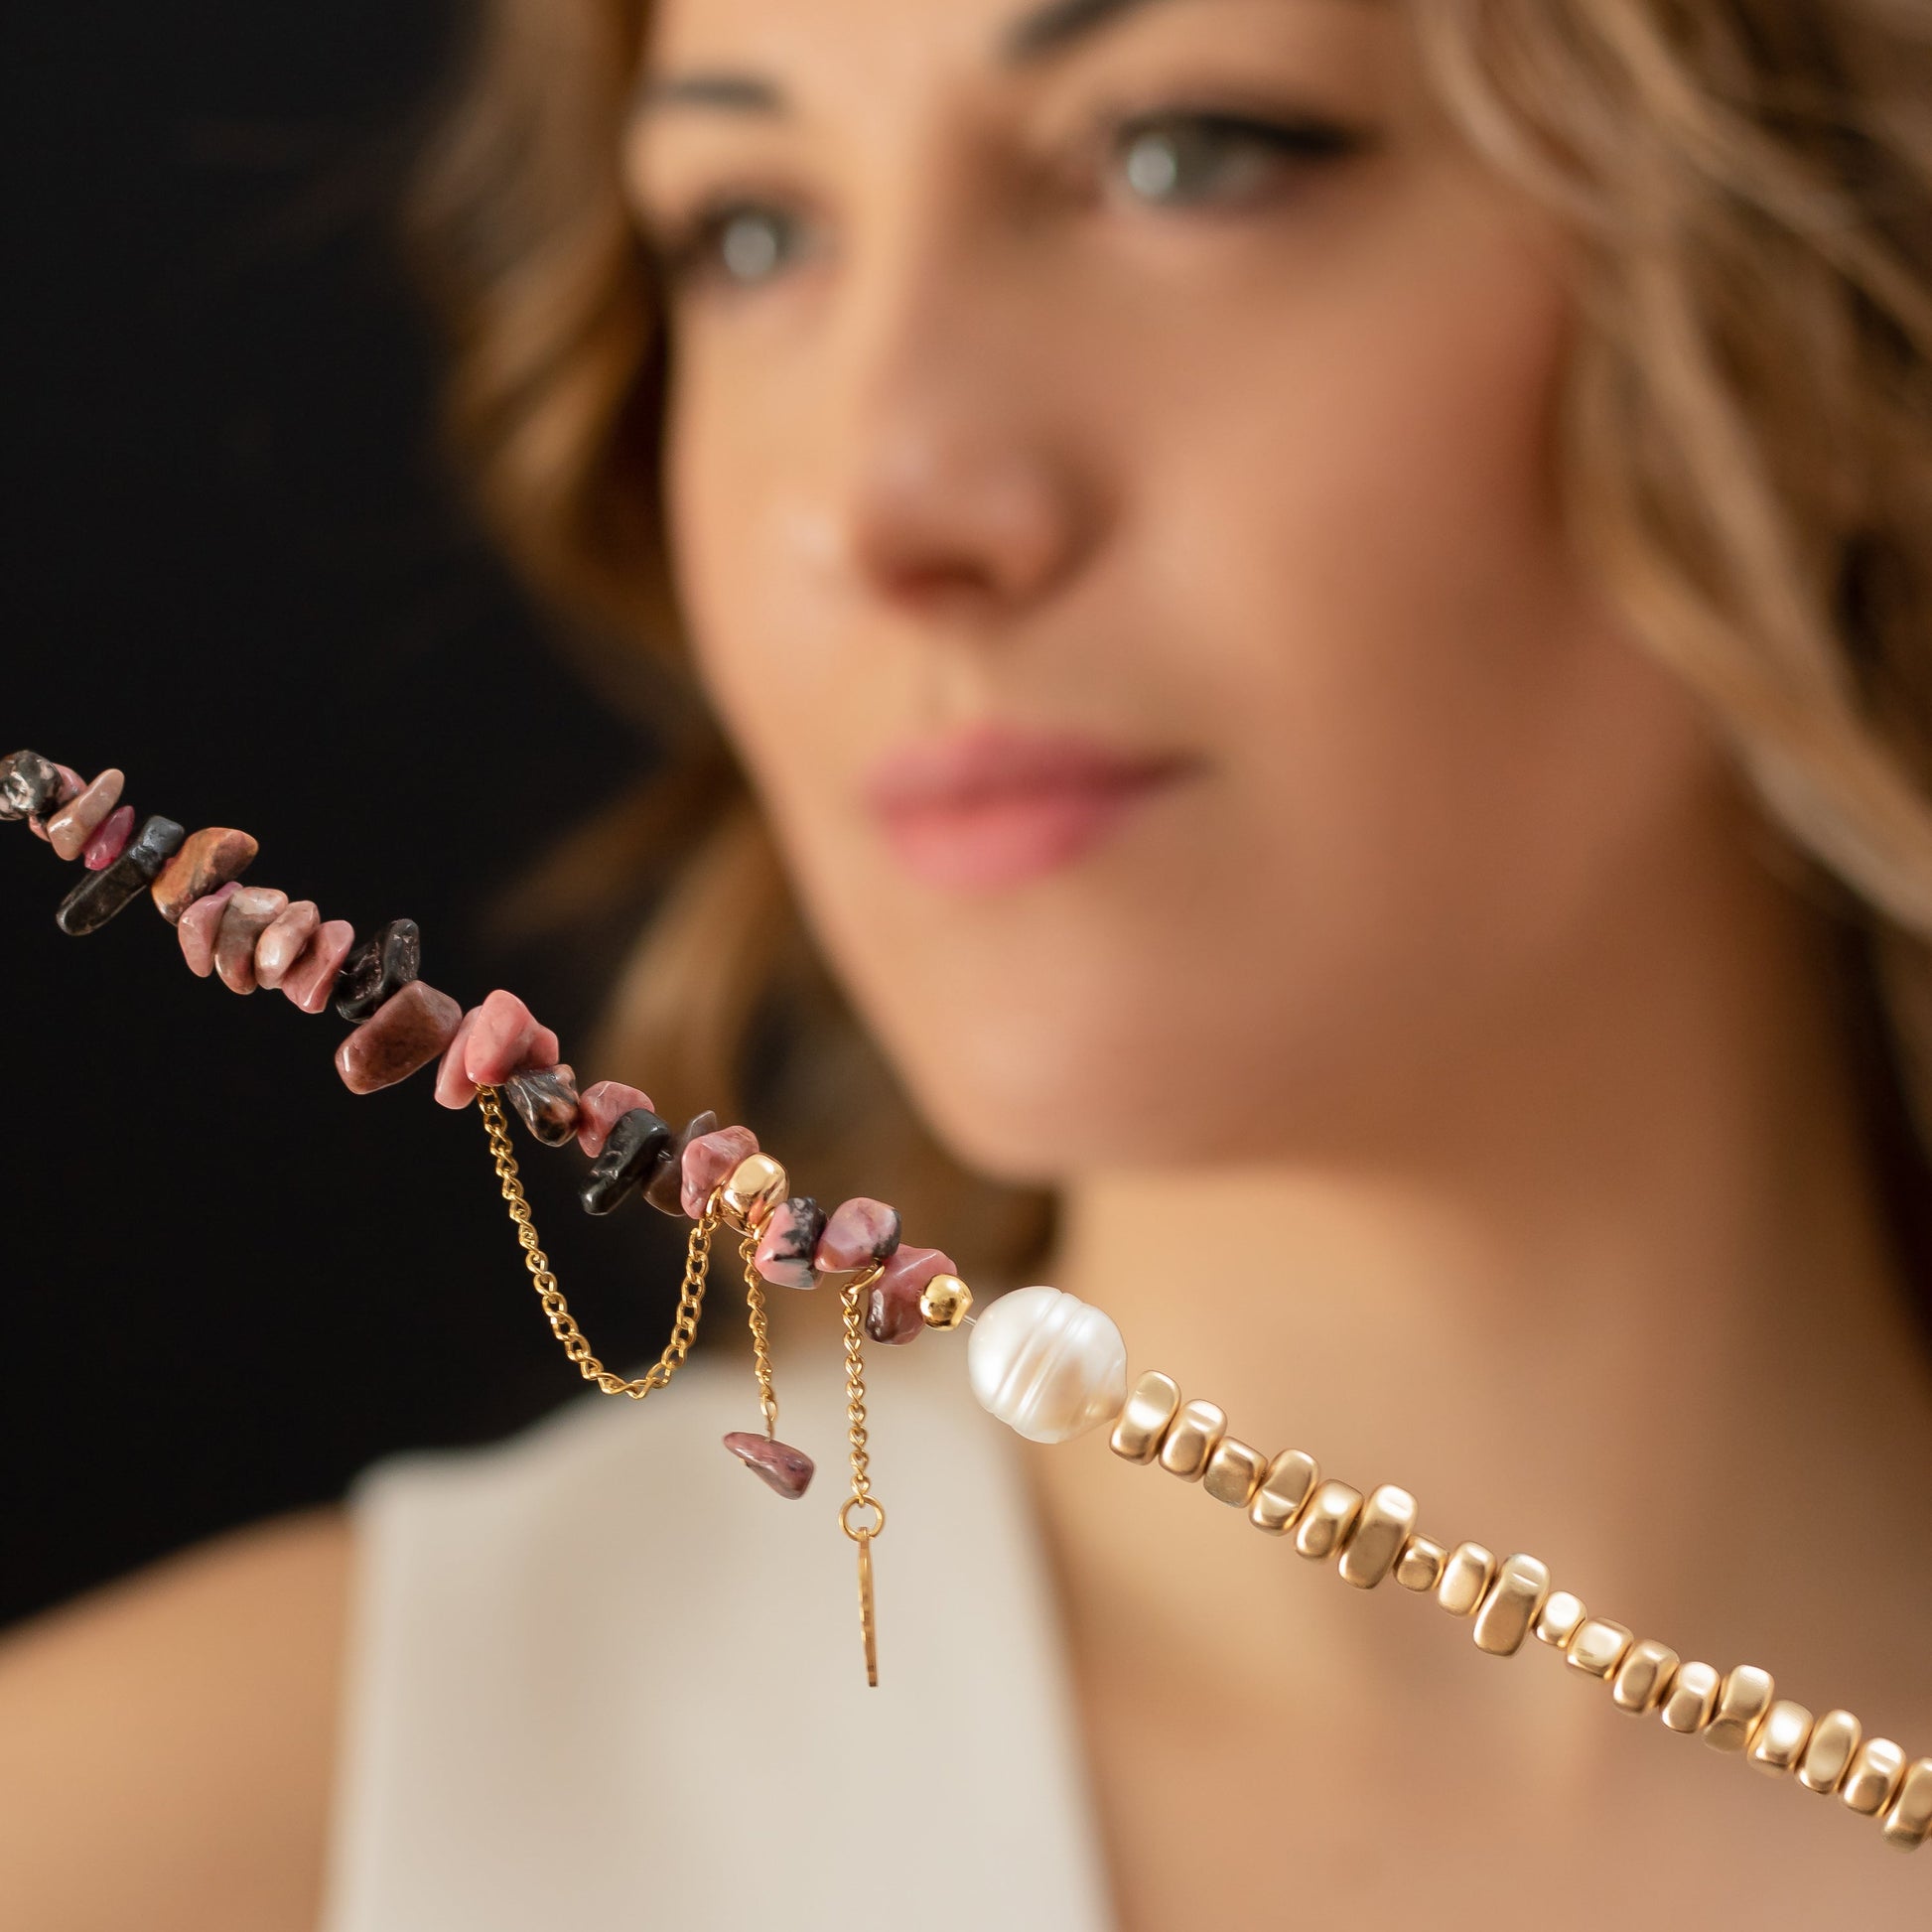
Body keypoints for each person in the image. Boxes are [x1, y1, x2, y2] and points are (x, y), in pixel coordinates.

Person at [3, 0, 1931, 1922]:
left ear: (1813, 305)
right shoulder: (188, 1846)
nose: (878, 500)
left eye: (1181, 155)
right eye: (751, 229)